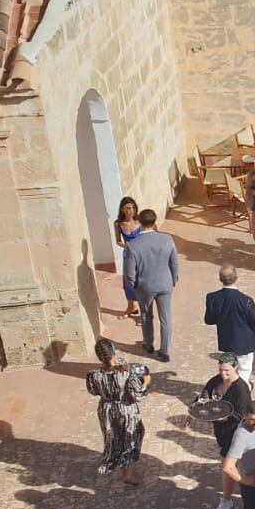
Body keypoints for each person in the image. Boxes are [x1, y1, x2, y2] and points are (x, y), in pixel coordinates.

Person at [86, 338, 150, 484]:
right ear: (113, 352)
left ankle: (122, 468)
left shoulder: (93, 375)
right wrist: (146, 383)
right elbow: (138, 395)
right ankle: (129, 473)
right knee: (131, 438)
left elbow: (93, 391)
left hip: (106, 410)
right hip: (126, 410)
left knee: (115, 438)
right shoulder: (126, 374)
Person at [121, 208, 178, 362]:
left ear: (139, 222)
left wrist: (134, 286)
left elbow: (129, 273)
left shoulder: (132, 245)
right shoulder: (167, 239)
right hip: (165, 283)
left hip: (144, 286)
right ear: (154, 221)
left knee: (146, 315)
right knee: (166, 318)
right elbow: (174, 263)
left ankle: (149, 344)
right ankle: (165, 351)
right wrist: (173, 279)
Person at [202, 354, 254, 509]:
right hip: (221, 431)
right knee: (232, 464)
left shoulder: (241, 389)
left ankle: (227, 499)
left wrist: (223, 417)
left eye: (227, 371)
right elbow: (203, 397)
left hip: (236, 432)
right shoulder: (215, 381)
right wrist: (192, 412)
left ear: (235, 368)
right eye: (221, 370)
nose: (223, 374)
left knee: (228, 466)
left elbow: (242, 414)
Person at [203, 264, 255, 385]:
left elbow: (209, 320)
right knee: (244, 369)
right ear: (236, 278)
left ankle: (229, 388)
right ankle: (242, 390)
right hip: (245, 343)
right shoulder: (244, 300)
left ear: (220, 279)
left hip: (226, 341)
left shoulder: (212, 298)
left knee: (230, 369)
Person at [114, 196, 143, 318]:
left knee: (141, 281)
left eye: (133, 208)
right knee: (128, 281)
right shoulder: (118, 224)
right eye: (128, 208)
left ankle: (144, 312)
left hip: (141, 254)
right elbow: (118, 241)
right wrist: (126, 246)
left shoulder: (140, 221)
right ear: (122, 209)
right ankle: (131, 306)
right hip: (128, 254)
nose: (131, 211)